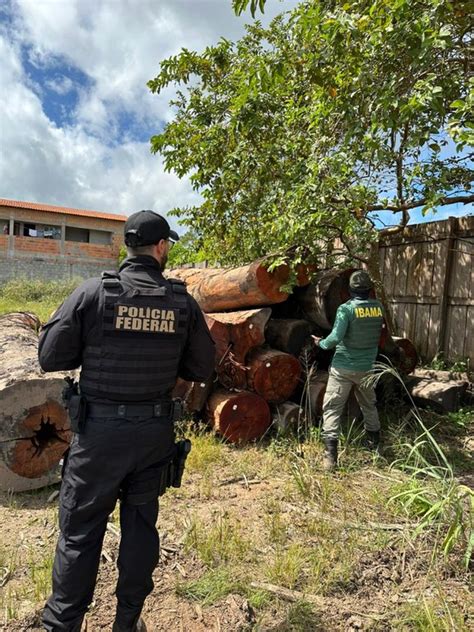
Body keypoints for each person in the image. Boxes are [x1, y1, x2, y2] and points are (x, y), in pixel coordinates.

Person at [38, 210, 215, 632]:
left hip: (97, 438)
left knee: (80, 533)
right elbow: (202, 367)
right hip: (152, 436)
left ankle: (63, 624)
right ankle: (128, 621)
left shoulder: (92, 293)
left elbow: (50, 356)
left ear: (127, 248)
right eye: (167, 244)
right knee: (140, 527)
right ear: (160, 248)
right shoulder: (181, 302)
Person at [312, 270, 384, 472]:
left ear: (350, 290)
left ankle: (330, 458)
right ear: (369, 289)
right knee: (369, 405)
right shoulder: (378, 308)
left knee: (333, 408)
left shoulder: (346, 309)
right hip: (368, 368)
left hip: (343, 368)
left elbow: (335, 338)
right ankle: (375, 447)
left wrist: (321, 344)